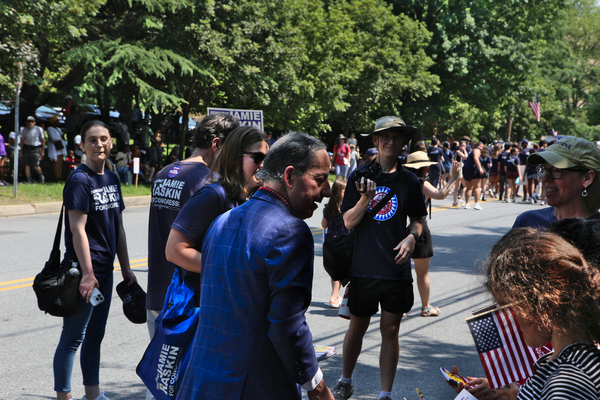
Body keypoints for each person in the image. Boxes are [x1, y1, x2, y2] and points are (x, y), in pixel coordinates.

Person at [174, 131, 334, 400]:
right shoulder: (290, 231)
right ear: (290, 176)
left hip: (200, 384)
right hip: (252, 388)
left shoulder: (222, 221)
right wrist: (317, 388)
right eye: (319, 180)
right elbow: (287, 326)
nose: (327, 191)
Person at [333, 116, 427, 400]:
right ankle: (345, 381)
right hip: (364, 267)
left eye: (397, 137)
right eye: (385, 136)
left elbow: (418, 220)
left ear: (403, 143)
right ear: (376, 140)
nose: (391, 141)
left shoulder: (410, 181)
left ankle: (385, 393)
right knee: (357, 328)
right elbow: (348, 222)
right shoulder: (359, 176)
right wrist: (365, 198)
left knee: (391, 330)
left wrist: (412, 237)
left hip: (396, 269)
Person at [451, 228, 600, 400]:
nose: (508, 319)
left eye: (510, 307)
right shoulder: (568, 364)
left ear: (545, 306)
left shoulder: (567, 384)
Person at [54, 120, 136, 400]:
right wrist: (88, 275)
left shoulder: (111, 178)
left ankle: (93, 394)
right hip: (83, 274)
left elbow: (118, 227)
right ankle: (64, 396)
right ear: (82, 145)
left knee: (95, 335)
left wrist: (126, 267)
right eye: (92, 140)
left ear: (111, 142)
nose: (99, 144)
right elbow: (77, 230)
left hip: (105, 272)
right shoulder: (80, 179)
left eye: (103, 139)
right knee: (73, 337)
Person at [145, 114, 239, 353]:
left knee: (161, 369)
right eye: (232, 149)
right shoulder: (207, 181)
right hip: (188, 298)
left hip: (158, 292)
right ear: (216, 144)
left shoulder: (164, 173)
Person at [164, 125, 268, 305]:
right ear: (235, 157)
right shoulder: (212, 195)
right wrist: (226, 268)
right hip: (204, 306)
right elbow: (174, 251)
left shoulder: (251, 199)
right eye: (257, 158)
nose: (263, 165)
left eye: (267, 159)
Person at [404, 151, 460, 317]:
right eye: (426, 166)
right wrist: (453, 177)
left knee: (402, 272)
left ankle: (400, 308)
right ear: (423, 168)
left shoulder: (401, 182)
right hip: (419, 227)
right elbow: (440, 195)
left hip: (400, 228)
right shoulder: (419, 182)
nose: (428, 169)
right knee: (422, 273)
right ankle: (426, 307)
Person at [513, 136, 600, 229]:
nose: (545, 178)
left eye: (557, 170)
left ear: (587, 178)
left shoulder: (596, 231)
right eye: (544, 169)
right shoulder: (527, 222)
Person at [322, 180, 350, 308]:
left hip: (331, 242)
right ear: (339, 192)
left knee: (334, 270)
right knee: (341, 270)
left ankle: (336, 296)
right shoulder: (346, 208)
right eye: (345, 191)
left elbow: (324, 225)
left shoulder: (328, 208)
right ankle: (334, 297)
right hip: (343, 242)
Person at [19, 116, 46, 183]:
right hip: (27, 147)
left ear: (34, 122)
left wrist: (42, 150)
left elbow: (43, 139)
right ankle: (29, 179)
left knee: (35, 165)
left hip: (35, 148)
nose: (30, 123)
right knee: (26, 165)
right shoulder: (24, 129)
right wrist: (21, 150)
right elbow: (22, 140)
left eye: (32, 121)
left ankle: (41, 176)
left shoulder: (39, 129)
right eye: (29, 122)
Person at [462, 141, 485, 210]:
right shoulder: (476, 150)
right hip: (473, 169)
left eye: (482, 147)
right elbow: (475, 158)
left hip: (466, 169)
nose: (481, 148)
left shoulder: (471, 151)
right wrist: (480, 168)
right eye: (480, 146)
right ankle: (477, 204)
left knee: (469, 188)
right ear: (477, 146)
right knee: (477, 187)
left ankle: (467, 204)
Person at [47, 116, 67, 182]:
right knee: (56, 163)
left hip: (61, 147)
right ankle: (56, 177)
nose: (58, 122)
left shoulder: (58, 129)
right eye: (56, 121)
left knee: (60, 163)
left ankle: (60, 176)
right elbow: (53, 138)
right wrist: (60, 137)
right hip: (55, 147)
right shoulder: (50, 129)